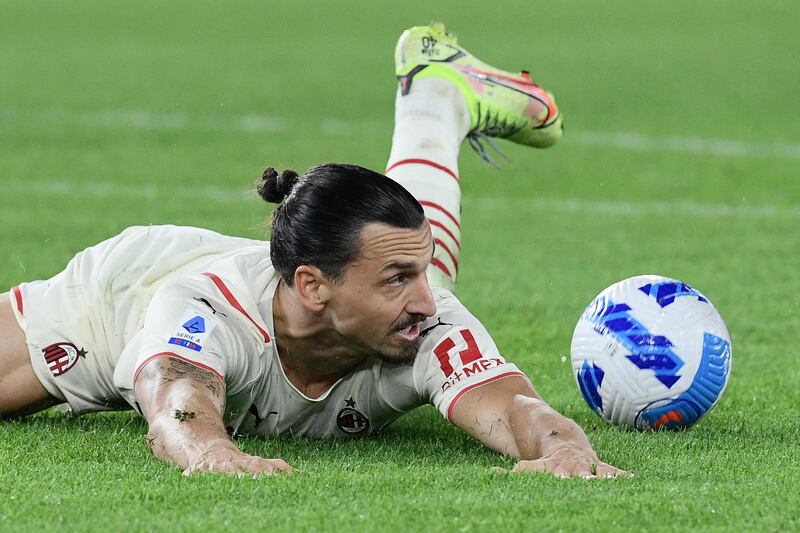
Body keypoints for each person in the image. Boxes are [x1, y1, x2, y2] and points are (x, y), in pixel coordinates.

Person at [0, 24, 629, 478]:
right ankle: (433, 102)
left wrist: (565, 450)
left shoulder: (426, 320)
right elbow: (176, 403)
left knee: (402, 243)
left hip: (338, 284)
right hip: (115, 303)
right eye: (397, 280)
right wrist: (214, 453)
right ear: (312, 287)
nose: (425, 300)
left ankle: (435, 97)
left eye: (414, 277)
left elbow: (519, 410)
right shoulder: (204, 310)